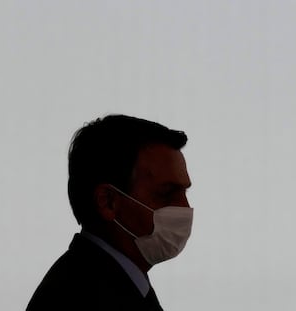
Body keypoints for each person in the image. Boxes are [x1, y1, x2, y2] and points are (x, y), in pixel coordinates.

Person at [26, 114, 193, 311]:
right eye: (166, 194)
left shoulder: (118, 280)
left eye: (185, 192)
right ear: (108, 202)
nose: (184, 207)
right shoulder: (79, 297)